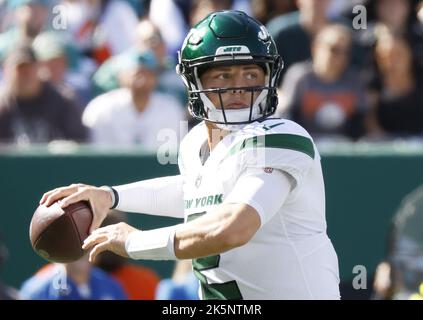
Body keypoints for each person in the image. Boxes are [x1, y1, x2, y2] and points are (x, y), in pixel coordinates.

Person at [39, 10, 340, 300]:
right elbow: (198, 194)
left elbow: (234, 227)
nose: (238, 88)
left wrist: (134, 241)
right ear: (195, 82)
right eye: (222, 76)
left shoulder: (281, 136)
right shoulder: (195, 142)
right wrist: (110, 196)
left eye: (250, 73)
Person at [20, 255, 127, 300]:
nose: (82, 249)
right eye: (73, 241)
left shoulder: (111, 285)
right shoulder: (35, 291)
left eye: (87, 239)